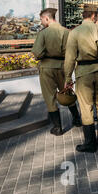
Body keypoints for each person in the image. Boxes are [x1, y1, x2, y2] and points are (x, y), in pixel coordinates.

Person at [31, 8, 81, 136]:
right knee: (67, 92)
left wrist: (40, 56)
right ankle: (77, 119)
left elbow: (37, 52)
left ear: (47, 18)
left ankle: (58, 127)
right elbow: (72, 51)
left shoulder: (43, 33)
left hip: (47, 67)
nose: (41, 22)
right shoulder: (67, 32)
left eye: (42, 19)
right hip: (63, 66)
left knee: (50, 97)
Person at [64, 5, 98, 153]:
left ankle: (90, 143)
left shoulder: (75, 32)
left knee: (86, 108)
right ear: (94, 16)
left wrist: (68, 77)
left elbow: (70, 58)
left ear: (84, 15)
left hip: (83, 73)